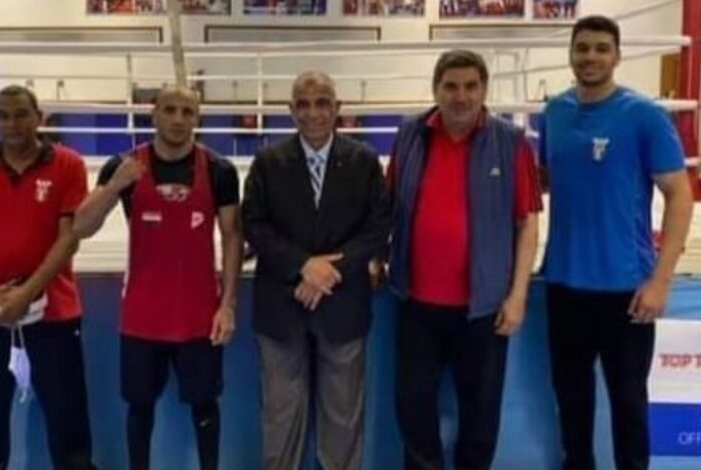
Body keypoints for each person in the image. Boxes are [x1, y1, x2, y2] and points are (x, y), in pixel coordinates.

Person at [540, 15, 693, 470]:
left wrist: (661, 280)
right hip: (564, 284)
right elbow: (545, 183)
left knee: (628, 404)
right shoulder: (554, 113)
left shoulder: (644, 115)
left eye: (601, 48)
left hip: (627, 289)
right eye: (582, 47)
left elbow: (680, 195)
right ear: (571, 53)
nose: (591, 57)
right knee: (571, 402)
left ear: (617, 56)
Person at [385, 50, 542, 470]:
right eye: (451, 86)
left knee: (481, 415)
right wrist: (376, 258)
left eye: (471, 86)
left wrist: (518, 295)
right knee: (414, 410)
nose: (461, 96)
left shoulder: (511, 143)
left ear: (484, 90)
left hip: (484, 308)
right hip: (417, 303)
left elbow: (527, 223)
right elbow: (388, 205)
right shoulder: (410, 134)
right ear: (435, 89)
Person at [73, 85, 242, 470]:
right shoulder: (123, 166)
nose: (178, 119)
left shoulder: (219, 170)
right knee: (140, 408)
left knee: (205, 405)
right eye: (170, 110)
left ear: (197, 118)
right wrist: (114, 186)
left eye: (187, 112)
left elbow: (233, 236)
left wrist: (227, 305)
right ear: (154, 114)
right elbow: (80, 227)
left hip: (200, 313)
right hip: (142, 315)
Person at [241, 71, 390, 470]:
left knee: (343, 419)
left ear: (337, 108)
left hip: (343, 308)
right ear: (290, 110)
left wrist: (327, 272)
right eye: (303, 104)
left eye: (322, 103)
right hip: (280, 309)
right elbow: (253, 224)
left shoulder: (364, 162)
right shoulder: (268, 163)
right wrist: (303, 265)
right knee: (280, 418)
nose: (313, 113)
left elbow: (378, 227)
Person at [0, 85, 95, 470]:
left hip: (55, 311)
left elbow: (69, 239)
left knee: (67, 416)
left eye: (21, 115)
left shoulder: (68, 165)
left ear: (39, 117)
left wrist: (27, 293)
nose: (12, 124)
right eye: (4, 116)